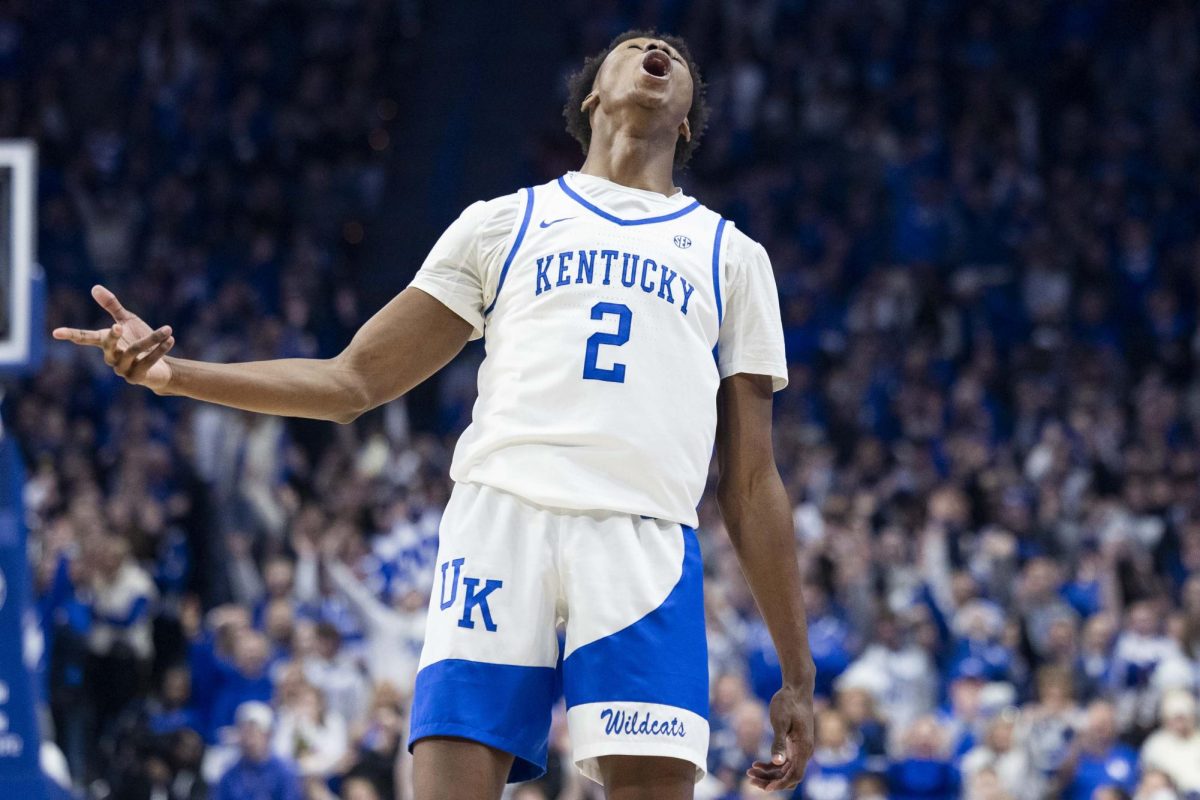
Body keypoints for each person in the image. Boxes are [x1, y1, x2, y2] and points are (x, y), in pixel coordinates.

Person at [52, 27, 816, 800]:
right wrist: (173, 375)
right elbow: (352, 381)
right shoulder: (503, 223)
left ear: (685, 121)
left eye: (675, 55)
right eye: (637, 45)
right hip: (500, 521)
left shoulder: (731, 256)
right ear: (591, 97)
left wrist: (797, 671)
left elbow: (753, 484)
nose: (658, 49)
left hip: (643, 539)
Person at [213, 702, 302, 800]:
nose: (249, 738)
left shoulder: (284, 771)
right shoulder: (229, 775)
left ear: (269, 734)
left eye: (255, 731)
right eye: (245, 730)